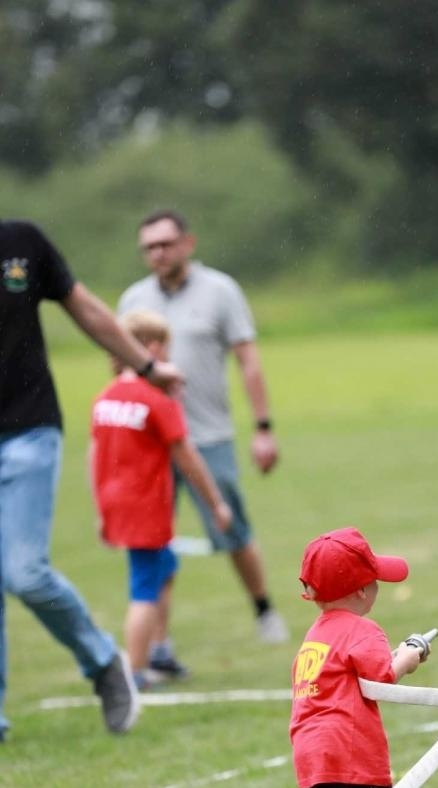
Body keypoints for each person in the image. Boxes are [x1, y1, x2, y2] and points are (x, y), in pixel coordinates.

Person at [0, 218, 184, 741]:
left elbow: (86, 310)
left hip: (26, 430)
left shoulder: (21, 243)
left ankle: (104, 661)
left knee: (25, 574)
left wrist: (147, 367)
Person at [118, 208, 288, 678]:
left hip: (207, 437)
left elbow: (248, 361)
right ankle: (160, 647)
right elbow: (119, 372)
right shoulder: (133, 299)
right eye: (149, 247)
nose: (157, 253)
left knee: (232, 531)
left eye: (165, 244)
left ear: (187, 243)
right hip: (151, 445)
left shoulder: (220, 290)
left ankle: (263, 609)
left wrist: (263, 427)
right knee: (155, 543)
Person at [90, 309, 233, 691]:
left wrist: (100, 509)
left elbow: (94, 454)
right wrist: (216, 503)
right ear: (151, 348)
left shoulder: (105, 398)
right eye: (166, 349)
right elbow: (188, 458)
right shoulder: (156, 399)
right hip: (146, 507)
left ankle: (158, 651)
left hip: (116, 503)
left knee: (164, 568)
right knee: (144, 588)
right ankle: (134, 674)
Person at [290, 527, 432, 788]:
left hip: (309, 752)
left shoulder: (315, 635)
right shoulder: (361, 629)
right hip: (346, 746)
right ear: (360, 591)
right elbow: (382, 675)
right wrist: (409, 656)